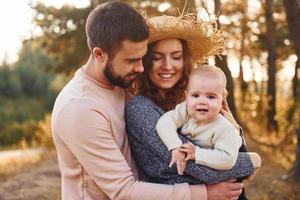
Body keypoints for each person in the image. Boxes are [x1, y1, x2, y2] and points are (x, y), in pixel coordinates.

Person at [51, 2, 251, 200]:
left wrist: (233, 131)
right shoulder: (80, 107)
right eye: (132, 60)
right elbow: (123, 190)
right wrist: (242, 166)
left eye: (141, 58)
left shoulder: (121, 86)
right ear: (99, 54)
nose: (139, 68)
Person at [125, 15, 261, 200]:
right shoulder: (140, 109)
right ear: (146, 62)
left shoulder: (194, 99)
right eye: (157, 57)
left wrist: (236, 132)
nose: (167, 66)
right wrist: (252, 161)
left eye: (176, 57)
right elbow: (201, 169)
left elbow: (231, 143)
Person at [157, 65, 246, 175]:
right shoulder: (185, 110)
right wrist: (175, 146)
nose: (202, 101)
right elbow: (164, 122)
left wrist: (197, 153)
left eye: (210, 97)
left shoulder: (224, 127)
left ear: (222, 100)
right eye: (195, 95)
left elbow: (228, 158)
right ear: (187, 96)